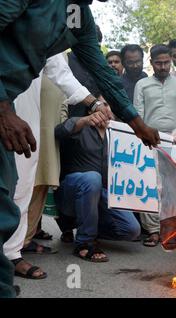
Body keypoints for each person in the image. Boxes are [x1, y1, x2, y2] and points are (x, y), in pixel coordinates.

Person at [0, 0, 159, 298]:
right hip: (5, 104)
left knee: (16, 185)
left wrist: (135, 121)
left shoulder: (78, 16)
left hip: (14, 102)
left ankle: (9, 258)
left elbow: (99, 69)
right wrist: (2, 108)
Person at [3, 53, 94, 281]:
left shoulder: (44, 28)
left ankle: (11, 254)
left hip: (25, 122)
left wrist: (94, 102)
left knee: (22, 189)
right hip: (6, 112)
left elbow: (60, 71)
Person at [54, 103, 141, 262]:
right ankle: (85, 242)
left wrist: (169, 142)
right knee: (92, 178)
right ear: (90, 109)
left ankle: (89, 228)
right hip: (72, 191)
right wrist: (85, 121)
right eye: (104, 104)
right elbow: (59, 131)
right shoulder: (81, 127)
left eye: (112, 105)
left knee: (131, 230)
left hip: (101, 194)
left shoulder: (119, 136)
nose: (109, 109)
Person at [134, 44, 176, 247]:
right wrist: (141, 136)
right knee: (150, 184)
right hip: (149, 140)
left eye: (166, 62)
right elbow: (138, 115)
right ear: (151, 63)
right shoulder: (142, 84)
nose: (163, 66)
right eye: (158, 63)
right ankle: (153, 231)